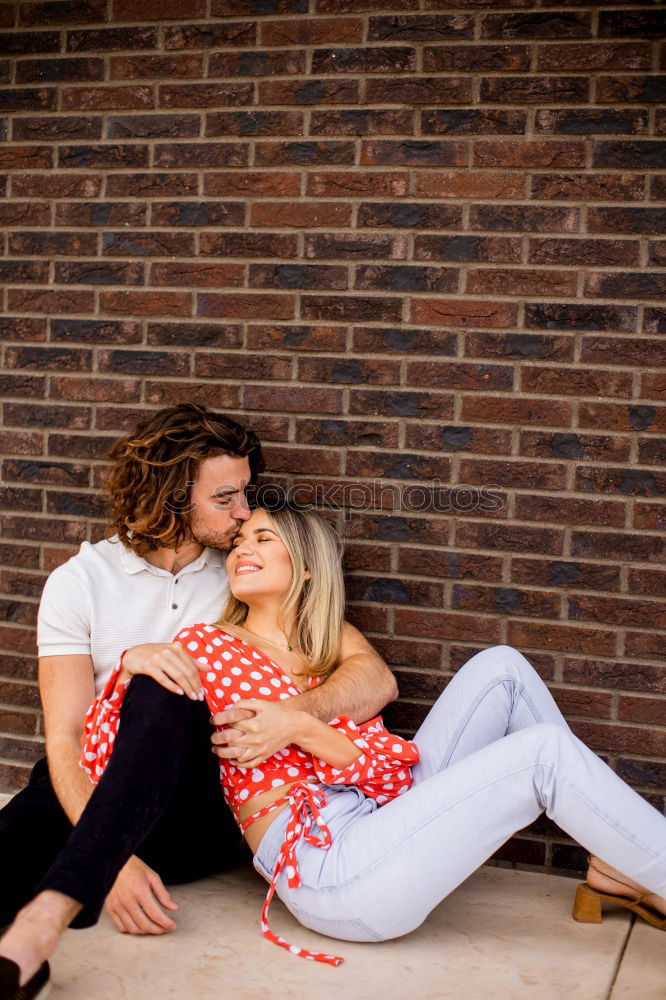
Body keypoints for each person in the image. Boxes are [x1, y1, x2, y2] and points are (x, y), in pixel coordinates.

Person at [1, 503, 664, 995]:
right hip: (330, 866)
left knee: (502, 668)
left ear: (308, 569)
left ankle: (616, 865)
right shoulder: (208, 647)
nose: (241, 549)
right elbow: (111, 750)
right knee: (542, 753)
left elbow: (390, 772)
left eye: (264, 538)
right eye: (239, 541)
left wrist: (302, 726)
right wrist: (129, 664)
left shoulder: (326, 653)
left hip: (379, 812)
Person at [0, 407, 397, 958]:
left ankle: (58, 904)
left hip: (197, 809)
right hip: (87, 789)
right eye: (225, 498)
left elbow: (375, 678)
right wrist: (110, 853)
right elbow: (66, 738)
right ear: (170, 496)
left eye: (245, 494)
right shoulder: (80, 583)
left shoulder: (244, 571)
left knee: (166, 681)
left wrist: (291, 716)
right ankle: (23, 961)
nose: (244, 513)